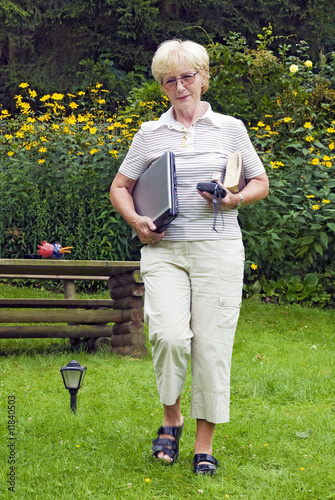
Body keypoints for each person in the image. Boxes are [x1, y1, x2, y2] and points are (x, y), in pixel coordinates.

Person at [110, 39, 269, 475]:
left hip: (218, 249)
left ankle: (204, 444)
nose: (180, 86)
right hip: (165, 251)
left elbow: (259, 182)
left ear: (203, 76)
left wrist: (233, 199)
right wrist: (138, 221)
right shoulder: (149, 134)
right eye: (170, 80)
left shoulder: (230, 128)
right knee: (168, 336)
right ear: (162, 86)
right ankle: (171, 416)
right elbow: (120, 187)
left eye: (187, 76)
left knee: (213, 344)